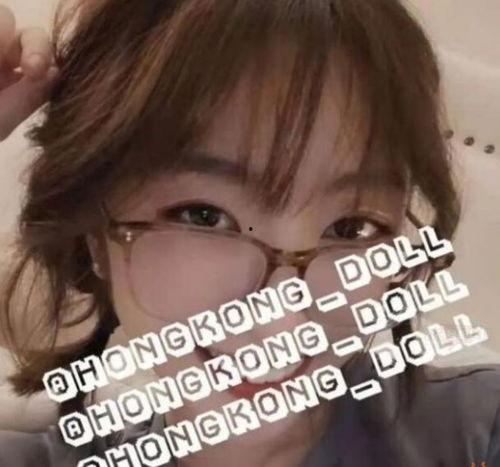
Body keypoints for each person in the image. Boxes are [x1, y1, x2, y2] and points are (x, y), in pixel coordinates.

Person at [0, 1, 499, 466]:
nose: (282, 325)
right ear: (95, 233)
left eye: (351, 228)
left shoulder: (474, 431)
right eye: (203, 216)